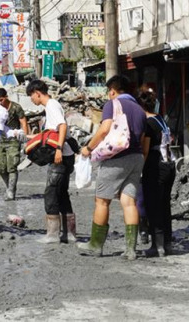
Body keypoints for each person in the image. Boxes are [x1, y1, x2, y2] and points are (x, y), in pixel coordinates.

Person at [78, 75, 147, 259]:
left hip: (117, 158)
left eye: (109, 91)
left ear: (113, 90)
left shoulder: (113, 104)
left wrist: (88, 148)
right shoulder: (140, 110)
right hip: (136, 157)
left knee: (102, 201)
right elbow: (141, 138)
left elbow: (104, 129)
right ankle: (130, 250)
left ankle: (95, 245)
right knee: (129, 202)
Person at [26, 80, 76, 244]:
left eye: (31, 96)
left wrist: (59, 149)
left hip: (60, 156)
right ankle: (69, 233)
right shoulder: (52, 106)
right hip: (65, 155)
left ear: (37, 93)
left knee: (51, 192)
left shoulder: (52, 105)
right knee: (61, 193)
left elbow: (62, 126)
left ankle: (53, 234)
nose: (32, 99)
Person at [138, 88, 176, 257]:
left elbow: (145, 150)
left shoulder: (148, 123)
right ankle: (167, 244)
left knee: (153, 206)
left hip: (155, 166)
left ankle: (157, 246)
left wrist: (139, 169)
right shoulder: (161, 120)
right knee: (164, 205)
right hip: (169, 164)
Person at [0, 88, 27, 201]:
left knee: (12, 166)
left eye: (1, 100)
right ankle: (9, 186)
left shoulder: (16, 107)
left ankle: (11, 191)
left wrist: (25, 139)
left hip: (13, 140)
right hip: (1, 140)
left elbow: (23, 122)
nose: (0, 102)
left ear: (6, 97)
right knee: (0, 167)